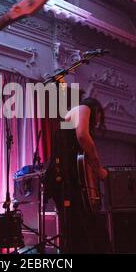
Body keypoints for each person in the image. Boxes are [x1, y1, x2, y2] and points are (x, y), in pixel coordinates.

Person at [45, 97, 110, 253]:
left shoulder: (70, 118)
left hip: (60, 176)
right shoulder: (84, 108)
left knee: (75, 228)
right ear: (96, 110)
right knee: (83, 227)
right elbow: (82, 136)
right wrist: (99, 168)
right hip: (65, 177)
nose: (98, 121)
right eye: (99, 116)